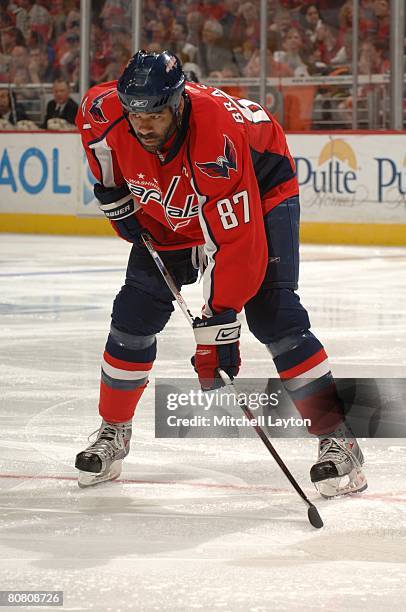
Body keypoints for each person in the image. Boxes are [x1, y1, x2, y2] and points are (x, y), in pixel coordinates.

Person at [75, 49, 367, 498]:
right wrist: (113, 193)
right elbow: (97, 144)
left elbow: (237, 245)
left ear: (176, 104)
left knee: (274, 314)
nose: (143, 125)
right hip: (175, 196)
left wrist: (219, 324)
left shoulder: (216, 141)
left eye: (154, 114)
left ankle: (339, 438)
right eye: (135, 114)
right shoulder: (104, 110)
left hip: (261, 189)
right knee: (132, 314)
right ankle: (113, 431)